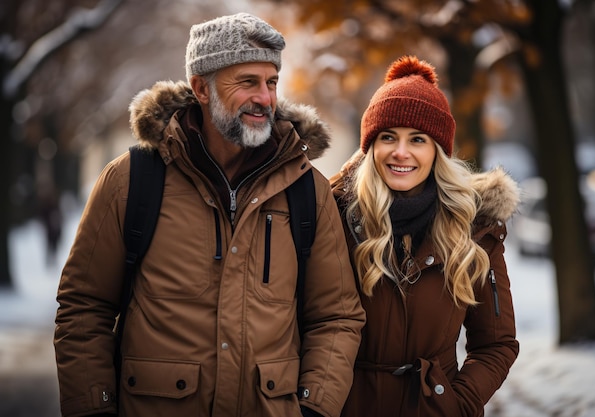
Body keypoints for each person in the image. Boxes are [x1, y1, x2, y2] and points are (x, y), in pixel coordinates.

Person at [54, 13, 365, 417]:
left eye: (271, 82)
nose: (265, 98)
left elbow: (337, 317)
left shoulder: (307, 190)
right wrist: (95, 408)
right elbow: (84, 308)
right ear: (202, 88)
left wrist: (313, 409)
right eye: (247, 82)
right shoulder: (131, 181)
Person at [330, 55, 520, 417]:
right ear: (370, 147)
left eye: (417, 139)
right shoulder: (332, 215)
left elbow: (497, 344)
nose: (401, 153)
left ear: (438, 151)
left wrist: (455, 405)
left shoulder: (474, 230)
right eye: (388, 137)